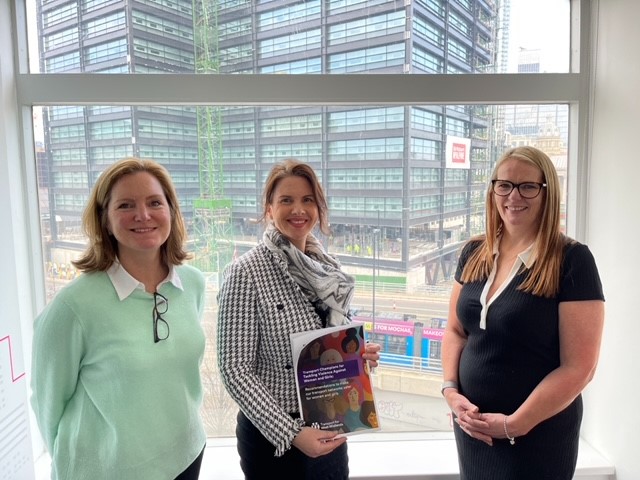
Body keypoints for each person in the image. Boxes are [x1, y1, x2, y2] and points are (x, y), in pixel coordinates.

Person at [30, 157, 207, 480]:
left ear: (171, 210)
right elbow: (47, 401)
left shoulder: (192, 283)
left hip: (185, 454)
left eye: (155, 202)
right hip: (107, 470)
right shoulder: (73, 306)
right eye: (126, 205)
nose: (143, 215)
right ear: (105, 220)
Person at [441, 146, 605, 480]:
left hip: (536, 437)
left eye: (527, 186)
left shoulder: (572, 261)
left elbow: (580, 368)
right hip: (474, 431)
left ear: (547, 193)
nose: (513, 196)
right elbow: (456, 332)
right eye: (504, 185)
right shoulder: (474, 252)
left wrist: (514, 424)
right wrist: (451, 391)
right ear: (492, 190)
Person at [216, 158, 381, 479]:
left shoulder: (328, 269)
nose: (298, 209)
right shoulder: (245, 272)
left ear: (318, 207)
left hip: (330, 422)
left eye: (307, 200)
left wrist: (356, 354)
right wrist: (291, 432)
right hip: (272, 437)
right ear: (269, 209)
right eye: (286, 200)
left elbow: (328, 344)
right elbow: (234, 369)